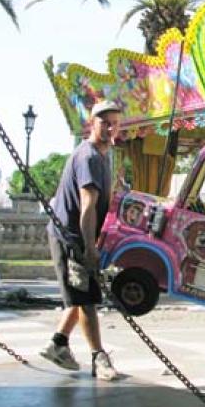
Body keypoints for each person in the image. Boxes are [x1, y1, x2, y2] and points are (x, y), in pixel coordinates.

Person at [39, 100, 122, 381]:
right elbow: (88, 207)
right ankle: (99, 357)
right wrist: (89, 248)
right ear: (91, 123)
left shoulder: (101, 156)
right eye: (104, 122)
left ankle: (58, 343)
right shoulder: (89, 158)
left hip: (74, 236)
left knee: (79, 294)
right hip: (72, 239)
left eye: (114, 123)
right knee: (87, 298)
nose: (110, 128)